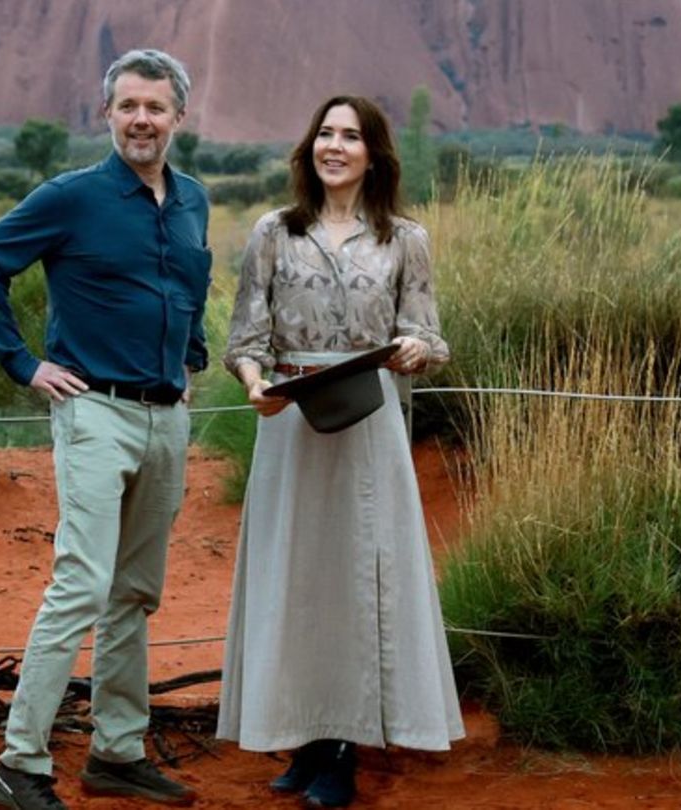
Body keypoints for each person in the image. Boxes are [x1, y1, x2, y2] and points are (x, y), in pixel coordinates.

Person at [0, 49, 211, 810]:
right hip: (95, 410)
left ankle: (118, 751)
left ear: (178, 118)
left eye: (156, 107)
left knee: (135, 591)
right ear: (107, 114)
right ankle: (20, 764)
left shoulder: (193, 199)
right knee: (82, 584)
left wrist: (191, 356)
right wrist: (23, 363)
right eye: (129, 106)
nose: (142, 119)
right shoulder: (70, 197)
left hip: (167, 416)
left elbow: (187, 289)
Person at [216, 95, 465, 808]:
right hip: (292, 417)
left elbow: (430, 335)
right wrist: (256, 384)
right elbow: (245, 339)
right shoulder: (273, 232)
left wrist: (417, 349)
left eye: (350, 136)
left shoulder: (404, 239)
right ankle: (302, 738)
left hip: (369, 418)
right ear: (309, 148)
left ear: (373, 154)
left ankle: (342, 751)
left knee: (358, 583)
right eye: (325, 133)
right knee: (293, 579)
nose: (334, 146)